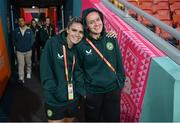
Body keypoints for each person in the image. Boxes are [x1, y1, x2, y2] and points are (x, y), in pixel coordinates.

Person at [74, 8, 126, 122]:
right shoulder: (81, 45)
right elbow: (77, 70)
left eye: (98, 20)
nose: (96, 24)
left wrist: (120, 82)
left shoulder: (111, 38)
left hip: (113, 90)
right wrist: (83, 92)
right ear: (86, 26)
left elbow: (119, 63)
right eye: (91, 22)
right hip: (93, 93)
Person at [40, 17, 84, 122]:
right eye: (74, 30)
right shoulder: (52, 43)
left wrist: (80, 91)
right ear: (67, 30)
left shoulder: (79, 48)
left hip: (73, 99)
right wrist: (54, 92)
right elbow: (46, 71)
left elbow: (79, 72)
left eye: (81, 32)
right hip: (55, 100)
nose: (77, 34)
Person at [13, 17, 35, 83]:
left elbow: (33, 39)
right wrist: (17, 46)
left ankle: (28, 73)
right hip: (19, 51)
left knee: (28, 63)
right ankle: (21, 77)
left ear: (24, 22)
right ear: (18, 23)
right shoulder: (16, 31)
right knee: (21, 64)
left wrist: (29, 46)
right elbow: (13, 40)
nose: (21, 22)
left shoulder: (29, 30)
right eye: (19, 21)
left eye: (22, 21)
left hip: (28, 50)